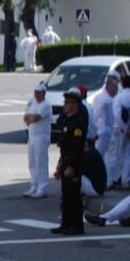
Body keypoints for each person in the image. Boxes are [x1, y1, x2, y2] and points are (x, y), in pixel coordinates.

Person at [52, 88, 87, 235]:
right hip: (66, 160)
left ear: (75, 104)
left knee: (73, 197)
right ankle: (65, 224)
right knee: (65, 196)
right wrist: (60, 165)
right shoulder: (67, 120)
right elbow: (64, 147)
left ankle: (77, 226)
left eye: (68, 102)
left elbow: (77, 148)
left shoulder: (77, 123)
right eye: (65, 102)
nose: (65, 105)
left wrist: (71, 166)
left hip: (74, 164)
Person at [23, 82, 51, 198]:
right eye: (35, 92)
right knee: (32, 162)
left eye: (39, 93)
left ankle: (42, 188)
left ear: (44, 93)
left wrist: (31, 117)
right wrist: (30, 117)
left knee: (41, 163)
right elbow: (26, 118)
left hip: (41, 137)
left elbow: (35, 118)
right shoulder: (32, 102)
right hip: (32, 136)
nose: (37, 95)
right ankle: (34, 185)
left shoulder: (46, 105)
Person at [93, 71, 119, 169]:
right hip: (103, 133)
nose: (116, 90)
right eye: (115, 87)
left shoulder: (106, 98)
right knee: (100, 158)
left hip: (107, 132)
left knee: (108, 159)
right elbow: (98, 116)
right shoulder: (104, 99)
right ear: (109, 85)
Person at [112, 73, 130, 189]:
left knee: (117, 154)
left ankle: (115, 178)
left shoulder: (119, 97)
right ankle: (126, 179)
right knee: (128, 155)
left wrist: (124, 128)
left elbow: (117, 115)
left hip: (120, 129)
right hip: (128, 129)